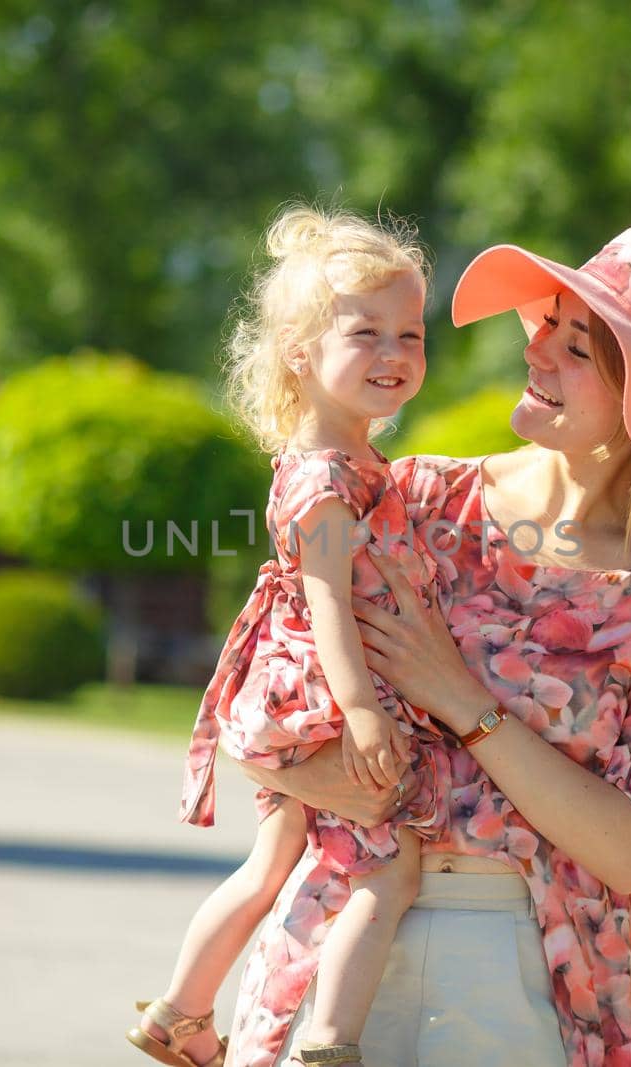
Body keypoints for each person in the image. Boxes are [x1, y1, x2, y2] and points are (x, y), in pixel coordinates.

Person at [221, 226, 631, 1067]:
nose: (535, 348)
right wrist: (329, 782)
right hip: (338, 944)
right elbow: (251, 709)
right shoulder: (418, 498)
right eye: (546, 325)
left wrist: (464, 700)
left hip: (527, 982)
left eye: (575, 344)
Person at [128, 206, 453, 1067]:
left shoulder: (332, 458)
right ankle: (329, 1040)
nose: (395, 355)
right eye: (367, 334)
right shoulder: (330, 477)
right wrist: (363, 711)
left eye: (411, 335)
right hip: (327, 691)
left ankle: (182, 1010)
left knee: (274, 862)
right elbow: (330, 602)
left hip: (288, 687)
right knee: (390, 870)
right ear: (301, 354)